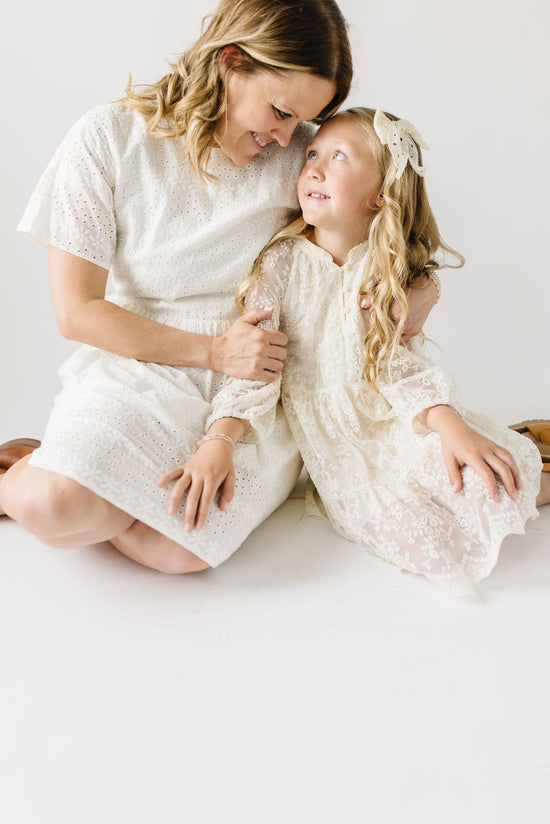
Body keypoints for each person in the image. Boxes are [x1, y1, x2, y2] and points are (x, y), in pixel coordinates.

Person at [0, 1, 438, 571]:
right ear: (232, 61)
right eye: (279, 111)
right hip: (141, 363)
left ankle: (93, 478)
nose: (286, 139)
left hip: (259, 387)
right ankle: (34, 473)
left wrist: (421, 288)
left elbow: (396, 223)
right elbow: (77, 312)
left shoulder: (297, 156)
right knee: (55, 507)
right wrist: (212, 351)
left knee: (178, 550)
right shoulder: (107, 139)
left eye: (299, 121)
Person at [160, 106, 549, 595]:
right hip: (337, 441)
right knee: (422, 539)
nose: (314, 169)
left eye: (339, 157)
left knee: (483, 484)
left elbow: (397, 370)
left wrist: (453, 430)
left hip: (399, 419)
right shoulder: (280, 264)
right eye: (314, 154)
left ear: (382, 193)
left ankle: (531, 463)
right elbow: (254, 368)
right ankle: (525, 452)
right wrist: (218, 441)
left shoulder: (383, 270)